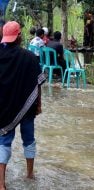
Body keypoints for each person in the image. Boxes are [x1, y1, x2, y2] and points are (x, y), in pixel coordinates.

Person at [0, 21, 46, 190]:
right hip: (27, 108)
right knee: (29, 140)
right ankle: (29, 174)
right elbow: (38, 84)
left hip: (4, 110)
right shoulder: (30, 57)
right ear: (19, 36)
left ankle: (1, 184)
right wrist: (38, 105)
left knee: (3, 142)